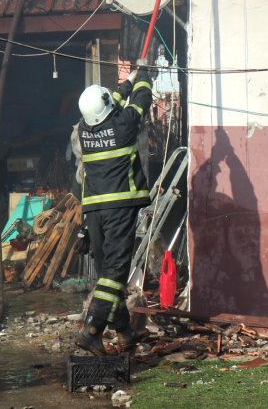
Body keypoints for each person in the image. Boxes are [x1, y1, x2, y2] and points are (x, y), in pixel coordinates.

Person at [74, 63, 152, 355]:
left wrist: (128, 81)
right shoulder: (123, 125)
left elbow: (111, 105)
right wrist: (143, 78)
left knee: (108, 274)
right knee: (116, 273)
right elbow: (142, 102)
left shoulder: (84, 129)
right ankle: (92, 330)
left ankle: (124, 332)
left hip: (93, 210)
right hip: (119, 206)